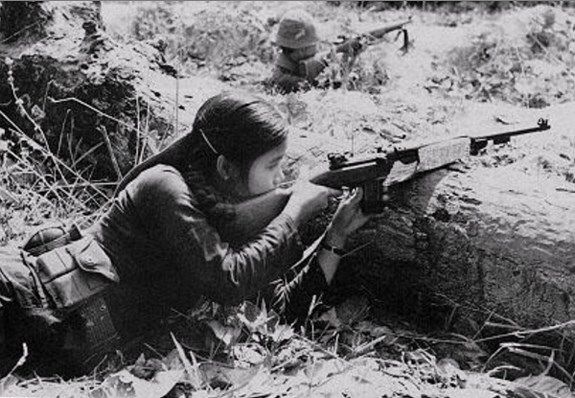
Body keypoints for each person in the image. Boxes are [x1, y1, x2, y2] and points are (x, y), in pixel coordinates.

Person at [0, 91, 369, 375]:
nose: (280, 179)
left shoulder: (231, 217)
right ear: (225, 166)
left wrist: (335, 236)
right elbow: (229, 281)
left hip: (50, 335)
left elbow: (284, 313)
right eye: (273, 166)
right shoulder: (163, 187)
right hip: (17, 301)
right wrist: (294, 213)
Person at [267, 8, 363, 94]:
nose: (317, 46)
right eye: (314, 44)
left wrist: (342, 48)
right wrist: (340, 82)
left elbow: (321, 58)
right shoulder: (283, 78)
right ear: (302, 49)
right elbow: (313, 87)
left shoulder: (294, 57)